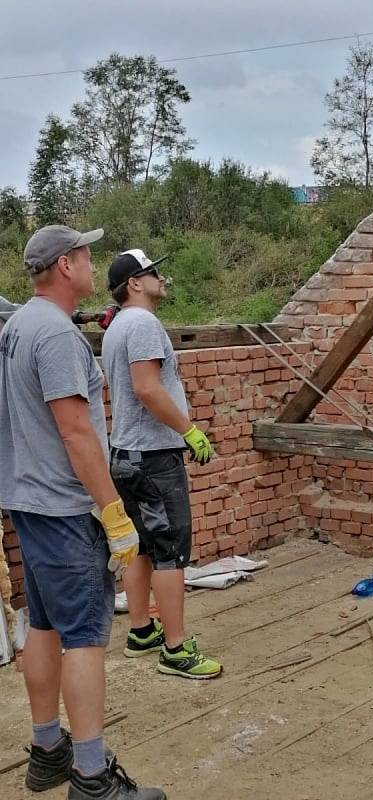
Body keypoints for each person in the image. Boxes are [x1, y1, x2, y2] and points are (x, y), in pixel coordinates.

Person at [0, 225, 165, 800]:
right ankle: (92, 778)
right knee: (86, 637)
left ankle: (48, 751)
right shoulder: (56, 339)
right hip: (69, 508)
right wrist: (114, 514)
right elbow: (76, 431)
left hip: (27, 500)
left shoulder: (21, 324)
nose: (93, 263)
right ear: (65, 266)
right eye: (86, 255)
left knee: (43, 626)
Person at [101, 248, 222, 680]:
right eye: (154, 272)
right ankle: (175, 649)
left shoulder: (117, 325)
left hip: (123, 455)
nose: (161, 277)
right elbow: (148, 389)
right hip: (153, 458)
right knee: (171, 548)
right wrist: (189, 430)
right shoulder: (144, 323)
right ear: (135, 283)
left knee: (142, 545)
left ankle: (141, 630)